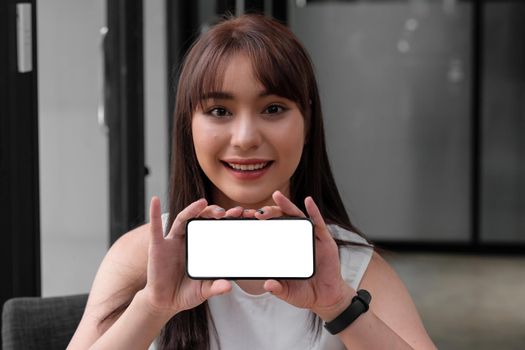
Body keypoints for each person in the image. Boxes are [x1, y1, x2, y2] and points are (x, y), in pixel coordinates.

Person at [68, 14, 436, 350]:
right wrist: (152, 307)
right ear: (188, 128)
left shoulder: (353, 266)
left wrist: (340, 307)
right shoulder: (142, 255)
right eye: (219, 111)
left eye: (273, 109)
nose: (245, 138)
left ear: (307, 122)